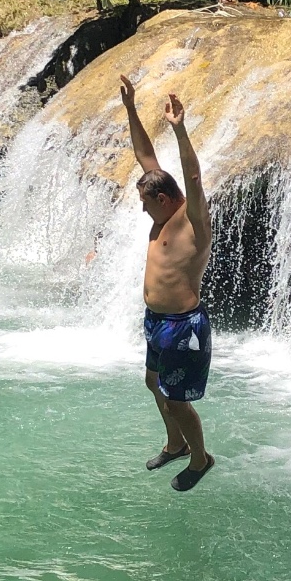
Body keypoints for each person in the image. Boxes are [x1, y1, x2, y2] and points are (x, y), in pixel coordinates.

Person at [119, 74, 215, 491]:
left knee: (177, 400)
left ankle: (200, 458)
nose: (142, 212)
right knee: (152, 383)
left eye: (144, 204)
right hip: (155, 320)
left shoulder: (192, 222)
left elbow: (192, 179)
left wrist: (180, 129)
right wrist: (131, 110)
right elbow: (145, 156)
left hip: (183, 327)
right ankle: (175, 443)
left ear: (162, 199)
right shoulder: (159, 196)